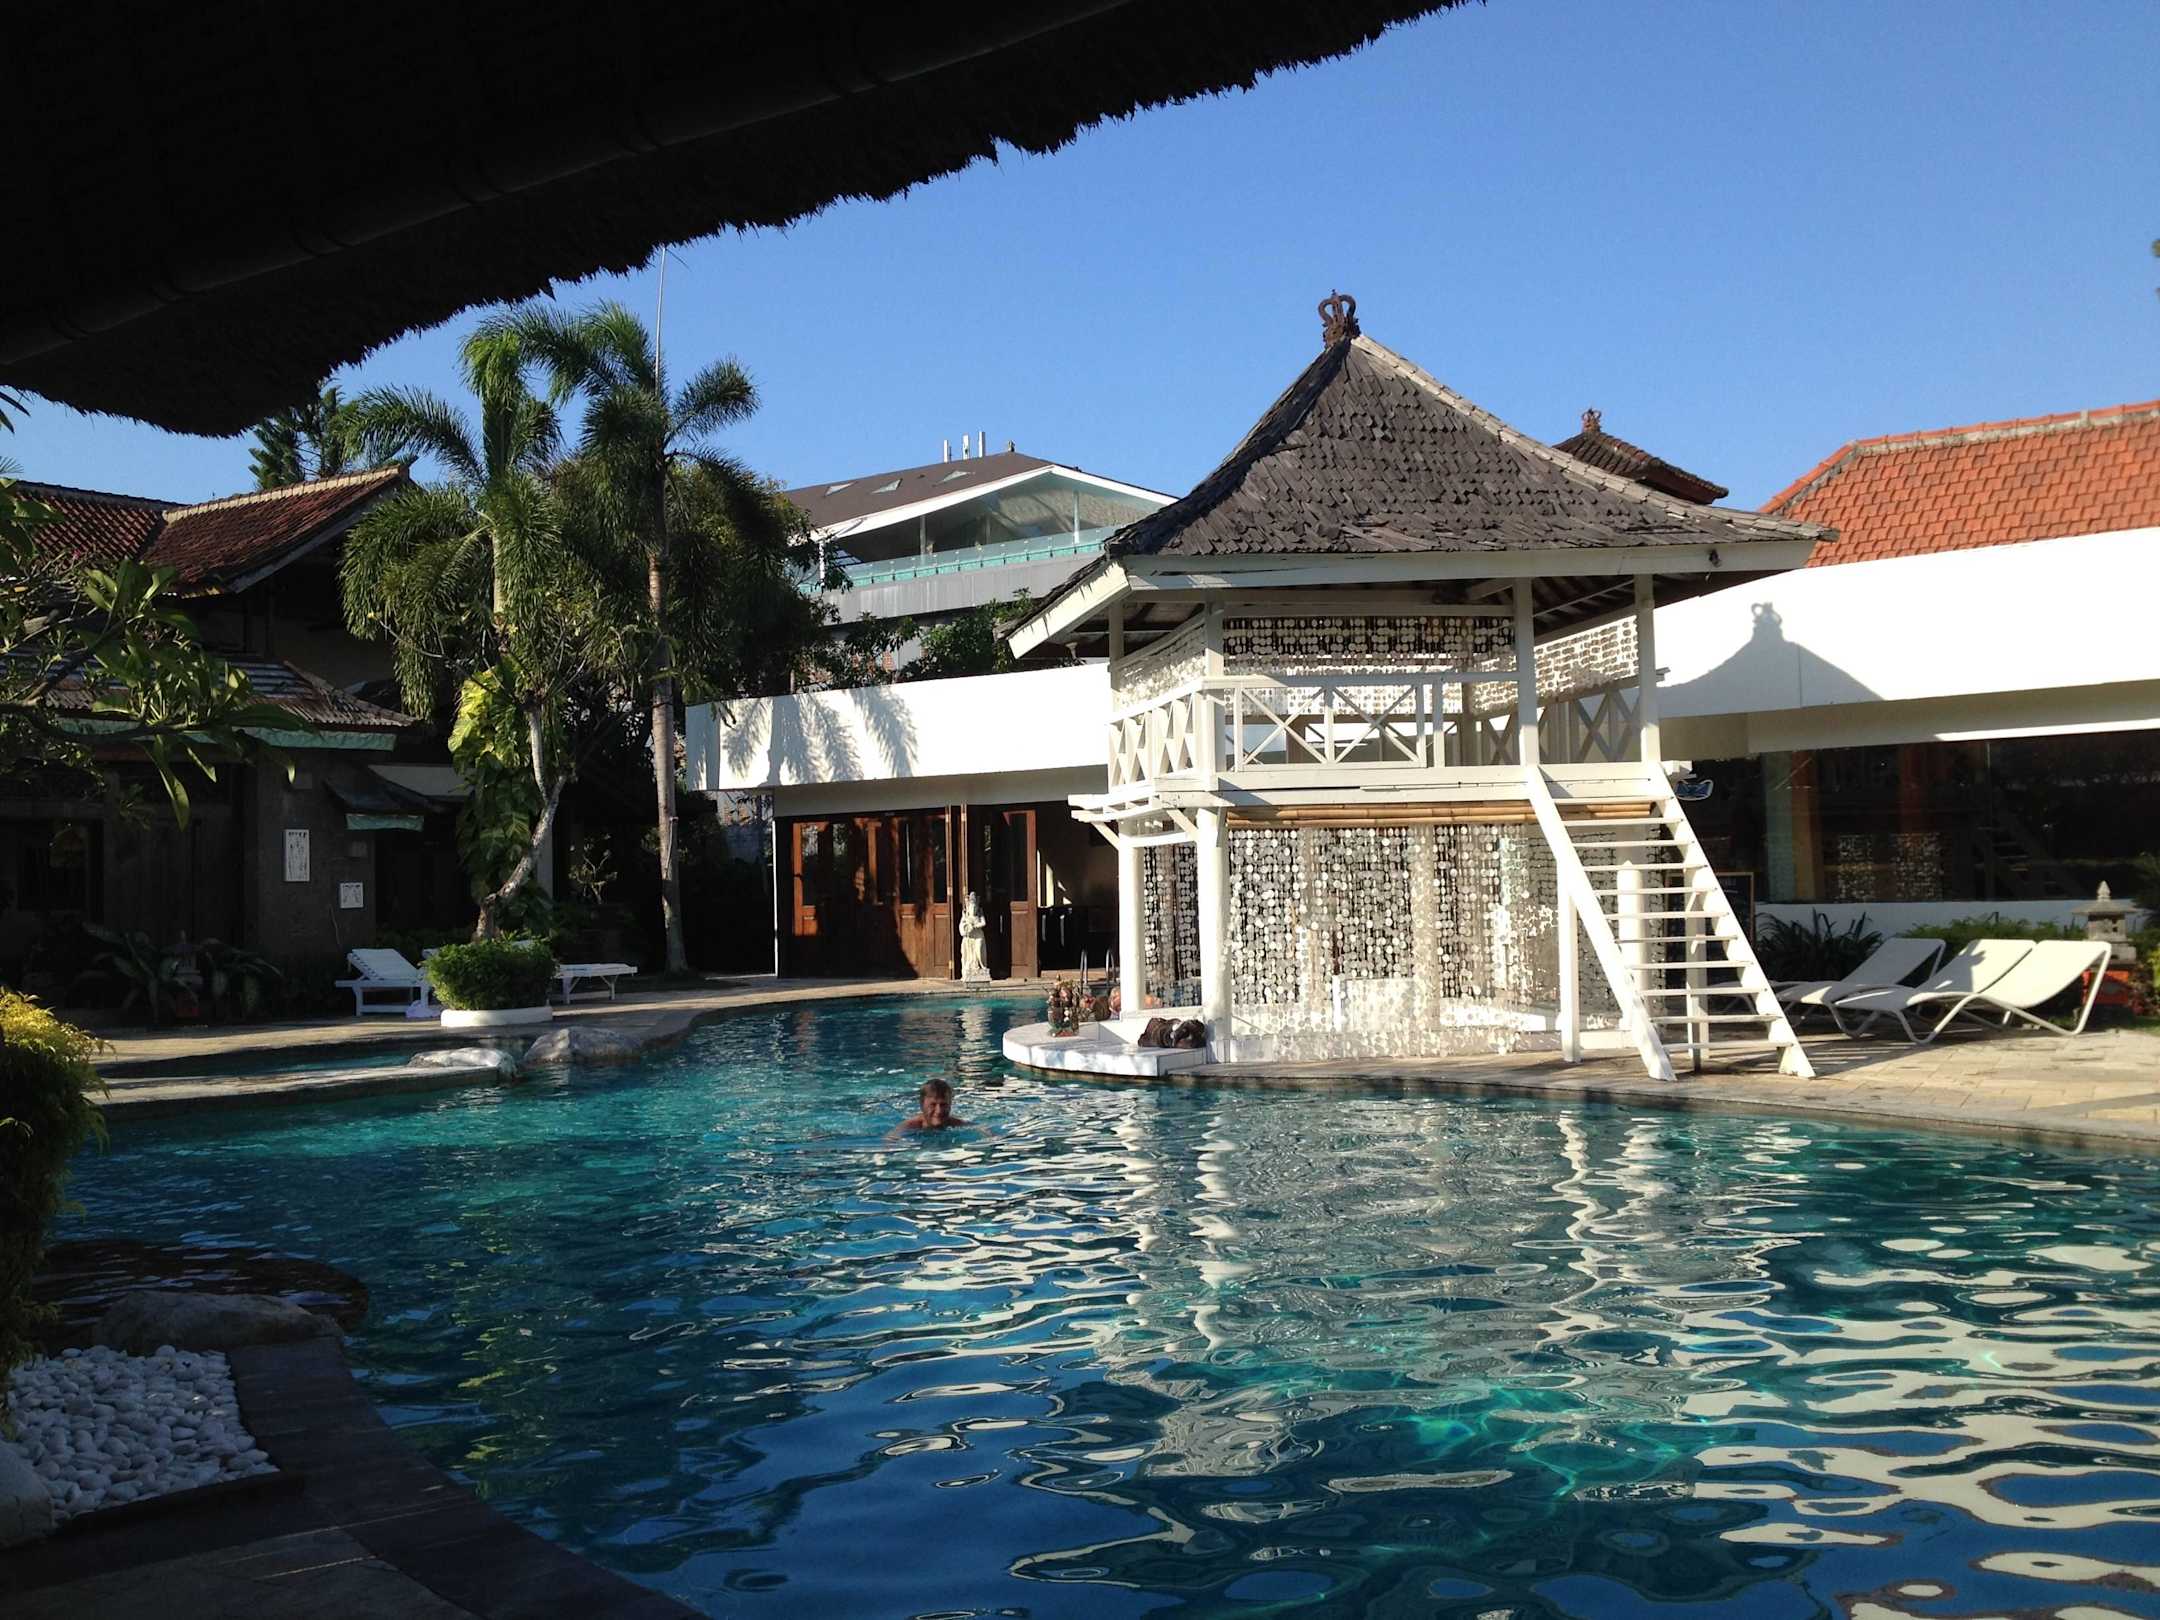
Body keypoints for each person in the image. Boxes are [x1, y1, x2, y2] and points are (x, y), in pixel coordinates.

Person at [894, 1078, 969, 1134]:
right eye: (933, 1105)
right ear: (921, 1105)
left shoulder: (957, 1124)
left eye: (943, 1104)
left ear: (950, 1105)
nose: (939, 1111)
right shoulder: (909, 1126)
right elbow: (891, 1141)